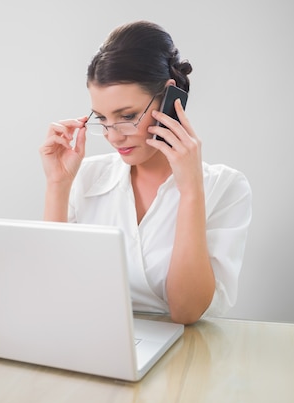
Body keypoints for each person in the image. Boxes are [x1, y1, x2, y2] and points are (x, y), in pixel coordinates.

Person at [39, 21, 252, 325]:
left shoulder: (225, 187)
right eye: (102, 118)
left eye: (127, 116)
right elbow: (53, 293)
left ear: (169, 100)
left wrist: (190, 190)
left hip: (187, 356)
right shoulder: (85, 178)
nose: (113, 136)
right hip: (94, 341)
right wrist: (57, 185)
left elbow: (186, 311)